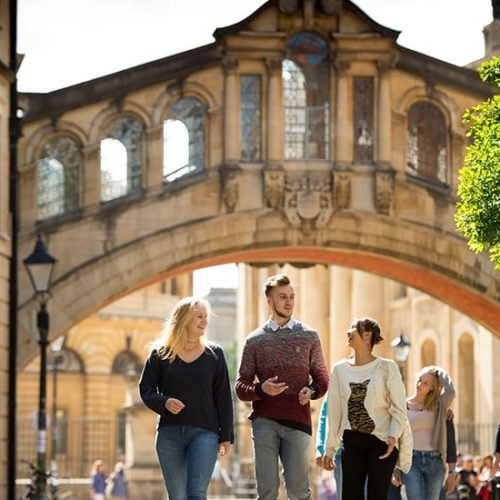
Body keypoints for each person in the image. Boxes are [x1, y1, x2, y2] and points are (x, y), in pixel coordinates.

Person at [235, 273, 329, 500]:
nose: (289, 302)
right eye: (283, 297)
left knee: (298, 491)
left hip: (298, 420)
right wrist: (260, 390)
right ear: (270, 301)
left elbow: (322, 378)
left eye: (292, 297)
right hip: (264, 422)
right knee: (267, 491)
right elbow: (240, 386)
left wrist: (312, 391)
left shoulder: (309, 336)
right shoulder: (254, 340)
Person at [139, 296, 234, 500]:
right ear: (183, 319)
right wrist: (164, 402)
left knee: (196, 494)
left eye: (206, 316)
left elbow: (224, 397)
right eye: (199, 316)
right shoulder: (160, 354)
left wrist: (225, 436)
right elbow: (145, 389)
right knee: (177, 496)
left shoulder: (215, 354)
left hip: (205, 434)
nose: (204, 321)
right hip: (169, 434)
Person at [323, 317, 412, 500]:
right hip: (351, 441)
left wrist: (393, 437)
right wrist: (330, 448)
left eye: (353, 329)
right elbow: (334, 412)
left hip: (382, 442)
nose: (348, 332)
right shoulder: (339, 370)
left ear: (366, 336)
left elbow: (399, 408)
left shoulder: (387, 368)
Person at [396, 366, 456, 500]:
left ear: (433, 388)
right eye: (419, 380)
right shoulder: (403, 405)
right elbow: (396, 437)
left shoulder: (439, 405)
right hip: (411, 460)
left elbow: (451, 391)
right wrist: (396, 469)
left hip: (434, 460)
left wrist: (437, 371)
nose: (419, 385)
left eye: (426, 383)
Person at [316, 397, 343, 499]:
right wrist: (320, 448)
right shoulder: (335, 386)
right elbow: (324, 415)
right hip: (340, 452)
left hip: (368, 451)